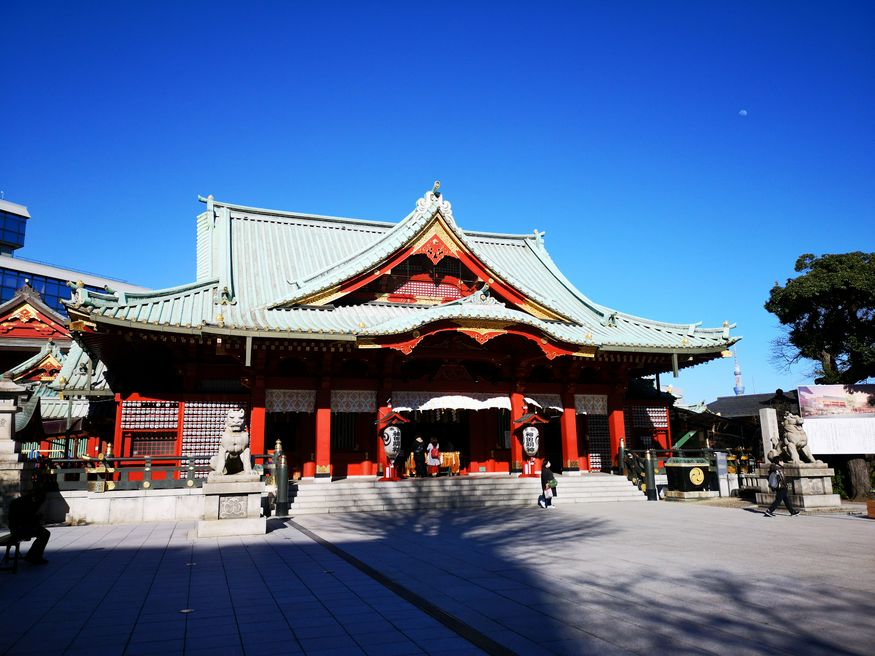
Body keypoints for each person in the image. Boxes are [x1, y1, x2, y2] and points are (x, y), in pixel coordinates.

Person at [9, 489, 51, 565]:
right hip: (19, 529)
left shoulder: (25, 501)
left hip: (16, 528)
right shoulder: (29, 503)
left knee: (43, 533)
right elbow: (28, 520)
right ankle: (33, 557)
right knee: (45, 534)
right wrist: (38, 516)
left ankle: (33, 556)